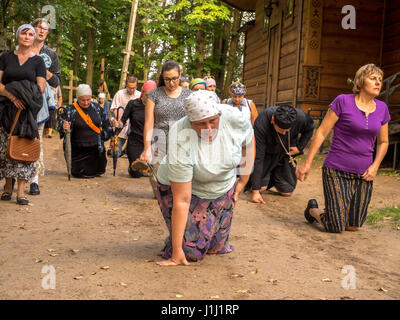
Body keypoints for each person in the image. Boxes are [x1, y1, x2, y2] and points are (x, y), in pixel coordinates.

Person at [155, 90, 254, 266]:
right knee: (191, 251)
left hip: (222, 186)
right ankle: (177, 243)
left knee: (216, 247)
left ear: (219, 115)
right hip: (187, 189)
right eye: (200, 124)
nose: (208, 129)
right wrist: (177, 252)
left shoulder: (235, 119)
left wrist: (243, 182)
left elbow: (249, 143)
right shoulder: (180, 135)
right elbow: (182, 199)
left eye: (212, 121)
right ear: (190, 122)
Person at [296, 64, 390, 233]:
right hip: (336, 169)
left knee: (353, 226)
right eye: (373, 78)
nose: (378, 83)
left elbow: (384, 142)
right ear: (360, 82)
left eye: (380, 80)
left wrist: (375, 166)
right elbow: (321, 133)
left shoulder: (382, 108)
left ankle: (335, 212)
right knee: (336, 226)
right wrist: (307, 163)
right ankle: (313, 210)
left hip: (364, 173)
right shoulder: (342, 101)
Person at [0, 24, 46, 205]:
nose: (27, 37)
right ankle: (7, 187)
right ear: (17, 35)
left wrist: (26, 98)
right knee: (5, 148)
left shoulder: (38, 62)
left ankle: (20, 192)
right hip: (5, 108)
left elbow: (40, 87)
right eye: (23, 33)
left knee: (23, 148)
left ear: (33, 38)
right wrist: (12, 96)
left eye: (30, 34)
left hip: (26, 110)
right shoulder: (5, 57)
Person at [140, 60, 192, 197]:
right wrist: (147, 148)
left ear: (180, 75)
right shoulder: (154, 95)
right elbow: (149, 122)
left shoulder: (189, 95)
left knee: (180, 175)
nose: (171, 83)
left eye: (174, 78)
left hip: (182, 141)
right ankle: (161, 198)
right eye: (167, 79)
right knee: (157, 175)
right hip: (159, 140)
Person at [250, 105, 314, 204]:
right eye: (281, 130)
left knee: (287, 191)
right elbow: (259, 158)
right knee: (260, 188)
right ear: (272, 120)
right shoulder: (261, 122)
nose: (284, 133)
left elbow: (310, 127)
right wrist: (255, 192)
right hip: (267, 153)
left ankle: (275, 175)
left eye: (287, 130)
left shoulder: (300, 117)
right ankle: (265, 176)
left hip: (285, 153)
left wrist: (299, 147)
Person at [30, 18, 61, 196]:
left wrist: (43, 70)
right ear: (31, 28)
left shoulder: (51, 54)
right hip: (20, 99)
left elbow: (56, 81)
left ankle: (34, 180)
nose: (41, 31)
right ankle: (12, 179)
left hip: (40, 103)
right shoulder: (22, 47)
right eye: (39, 27)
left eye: (45, 29)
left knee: (37, 140)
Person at [58, 84, 113, 178]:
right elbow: (60, 124)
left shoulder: (97, 108)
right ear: (77, 98)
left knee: (99, 171)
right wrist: (64, 126)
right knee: (81, 173)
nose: (86, 102)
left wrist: (111, 131)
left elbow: (107, 125)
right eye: (83, 100)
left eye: (88, 99)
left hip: (96, 148)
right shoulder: (70, 109)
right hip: (78, 150)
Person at [113, 80, 157, 178]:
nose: (149, 98)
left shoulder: (157, 106)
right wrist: (118, 125)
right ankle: (133, 168)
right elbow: (122, 121)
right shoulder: (133, 104)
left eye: (152, 96)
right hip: (135, 141)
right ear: (142, 93)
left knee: (154, 172)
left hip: (152, 142)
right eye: (147, 95)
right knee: (136, 173)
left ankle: (148, 166)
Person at [110, 75, 141, 157]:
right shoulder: (119, 94)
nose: (131, 90)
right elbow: (115, 108)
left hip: (134, 128)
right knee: (116, 153)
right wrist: (120, 121)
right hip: (121, 127)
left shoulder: (139, 95)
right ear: (126, 85)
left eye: (133, 88)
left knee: (133, 152)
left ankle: (127, 150)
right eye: (129, 87)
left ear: (136, 86)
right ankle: (114, 150)